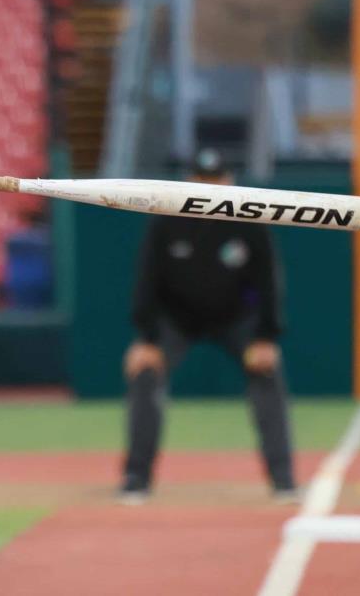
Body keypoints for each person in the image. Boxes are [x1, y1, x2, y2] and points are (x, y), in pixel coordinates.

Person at [119, 149, 297, 504]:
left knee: (267, 373)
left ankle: (283, 479)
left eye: (217, 180)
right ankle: (136, 478)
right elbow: (147, 280)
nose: (210, 188)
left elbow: (267, 282)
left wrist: (265, 337)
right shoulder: (166, 219)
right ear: (190, 181)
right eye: (203, 180)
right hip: (177, 319)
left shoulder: (250, 218)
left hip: (236, 318)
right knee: (146, 372)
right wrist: (147, 338)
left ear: (229, 181)